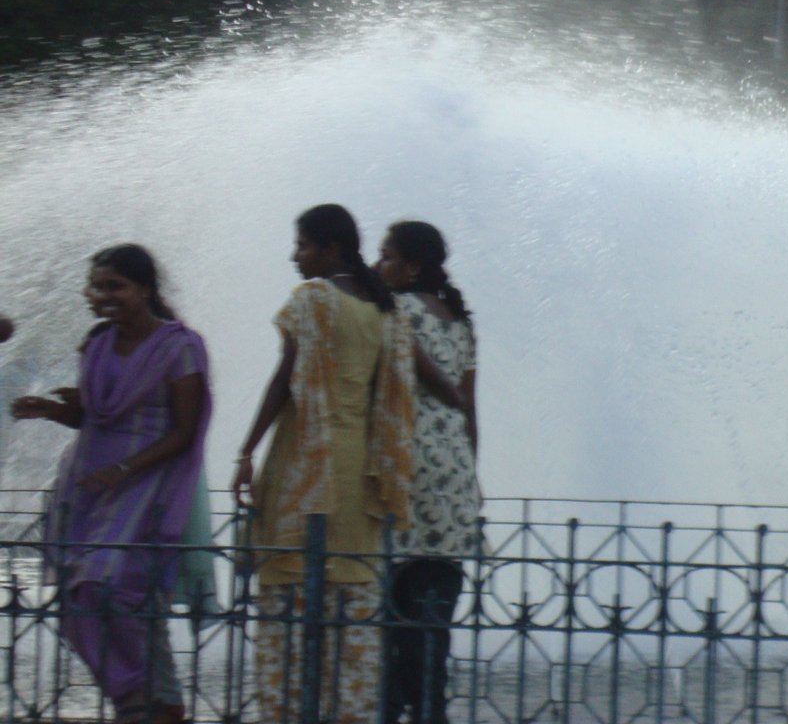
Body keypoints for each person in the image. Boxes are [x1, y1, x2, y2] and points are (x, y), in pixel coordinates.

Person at [10, 245, 211, 724]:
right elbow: (95, 419)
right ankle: (136, 699)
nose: (103, 295)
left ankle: (145, 697)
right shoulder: (96, 344)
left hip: (147, 484)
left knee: (108, 586)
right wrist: (53, 411)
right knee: (77, 597)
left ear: (145, 289)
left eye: (115, 286)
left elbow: (185, 430)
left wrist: (126, 470)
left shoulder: (180, 346)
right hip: (87, 484)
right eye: (97, 287)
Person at [232, 204, 416, 724]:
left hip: (305, 465)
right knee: (351, 610)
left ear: (331, 249)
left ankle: (289, 712)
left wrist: (246, 452)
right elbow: (393, 398)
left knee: (288, 607)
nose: (295, 256)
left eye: (303, 245)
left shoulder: (313, 299)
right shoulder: (385, 309)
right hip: (359, 473)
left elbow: (283, 380)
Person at [374, 221, 482, 724]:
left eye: (387, 256)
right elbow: (470, 410)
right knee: (433, 605)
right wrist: (470, 479)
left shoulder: (394, 312)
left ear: (412, 266)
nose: (378, 267)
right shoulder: (461, 322)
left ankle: (396, 704)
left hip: (408, 465)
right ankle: (430, 705)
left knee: (392, 608)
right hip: (454, 470)